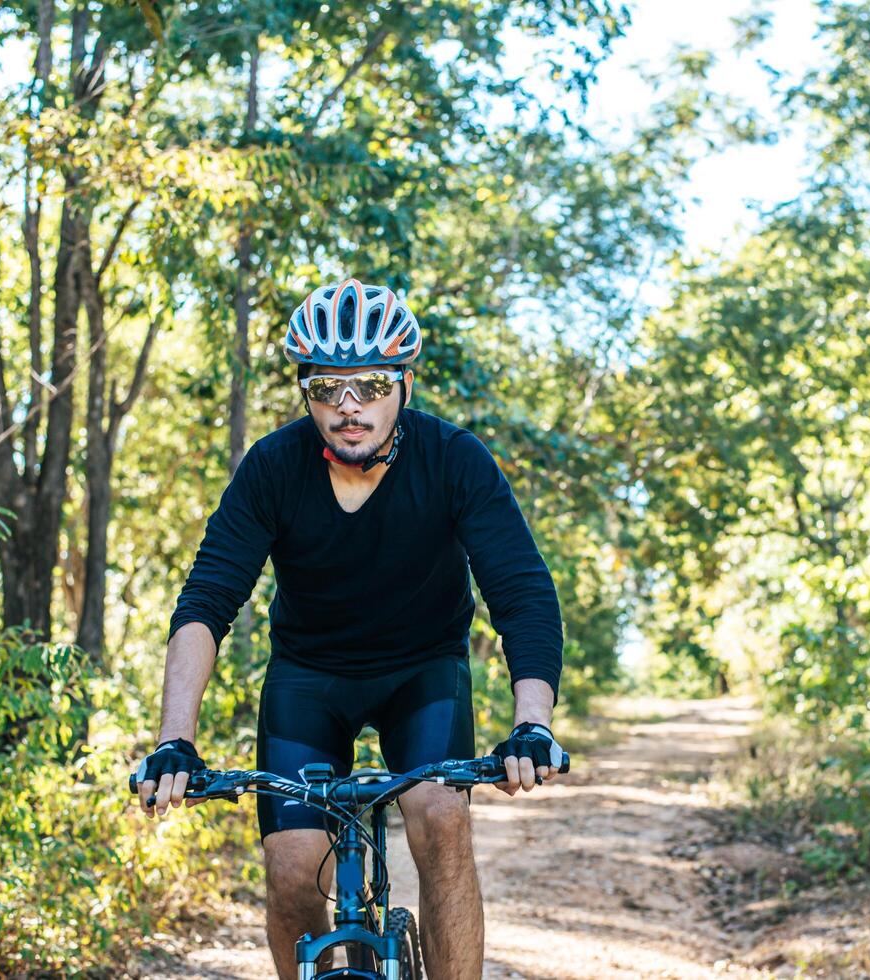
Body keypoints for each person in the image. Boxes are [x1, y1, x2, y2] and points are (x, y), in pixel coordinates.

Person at [134, 277, 566, 980]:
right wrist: (174, 740)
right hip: (309, 677)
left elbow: (519, 592)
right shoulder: (273, 468)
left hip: (422, 671)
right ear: (305, 389)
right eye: (326, 388)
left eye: (367, 385)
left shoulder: (453, 460)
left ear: (402, 383)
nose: (348, 407)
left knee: (441, 820)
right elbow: (206, 602)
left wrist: (532, 724)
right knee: (291, 870)